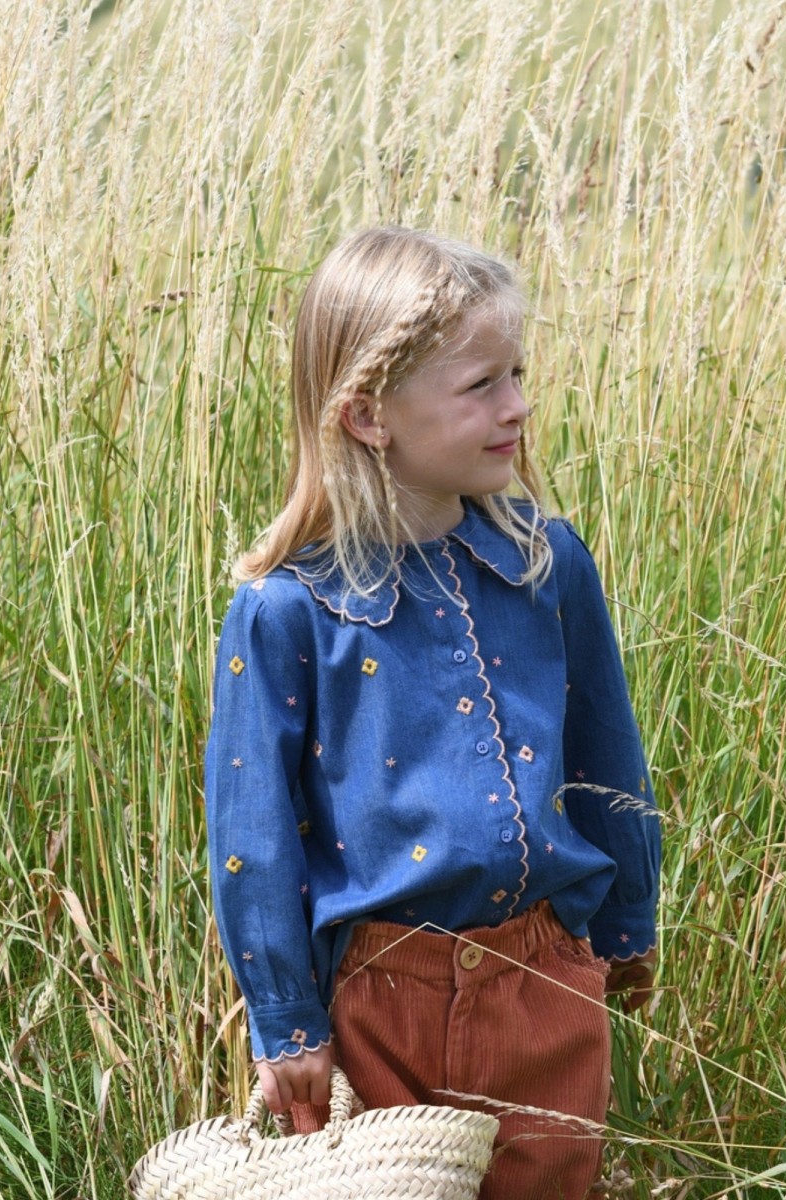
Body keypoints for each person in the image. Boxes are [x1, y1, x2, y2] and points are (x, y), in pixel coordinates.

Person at [204, 225, 661, 1199]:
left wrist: (627, 924)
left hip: (547, 982)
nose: (519, 406)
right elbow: (253, 832)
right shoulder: (288, 610)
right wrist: (288, 1021)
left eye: (518, 374)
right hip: (379, 1000)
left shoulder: (548, 562)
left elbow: (605, 756)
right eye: (482, 385)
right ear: (370, 415)